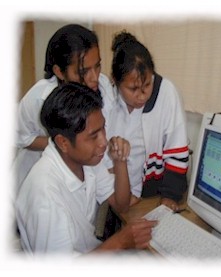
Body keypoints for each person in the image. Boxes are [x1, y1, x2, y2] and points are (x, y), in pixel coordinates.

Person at [15, 82, 157, 255]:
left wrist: (120, 162)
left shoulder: (85, 161)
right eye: (93, 136)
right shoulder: (46, 198)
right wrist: (120, 241)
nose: (104, 142)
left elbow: (121, 205)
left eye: (103, 128)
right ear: (63, 142)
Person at [13, 24, 115, 193]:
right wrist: (67, 142)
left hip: (82, 181)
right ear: (59, 72)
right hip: (37, 186)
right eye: (83, 71)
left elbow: (103, 132)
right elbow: (20, 137)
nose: (94, 78)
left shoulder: (103, 86)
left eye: (97, 66)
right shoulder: (39, 98)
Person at [105, 31, 189, 210]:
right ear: (115, 81)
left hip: (150, 194)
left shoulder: (165, 93)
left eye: (147, 85)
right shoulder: (107, 96)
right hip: (112, 190)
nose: (142, 95)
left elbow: (177, 151)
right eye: (133, 88)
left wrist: (169, 196)